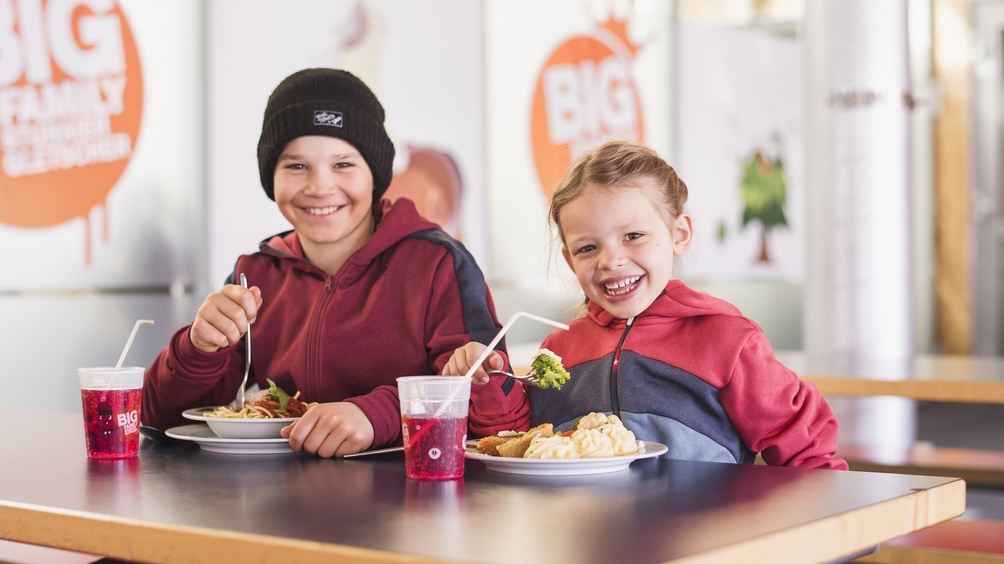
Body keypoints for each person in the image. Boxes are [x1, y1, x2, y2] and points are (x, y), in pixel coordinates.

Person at [143, 68, 529, 457]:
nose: (320, 187)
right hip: (279, 493)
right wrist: (197, 349)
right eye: (296, 166)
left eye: (343, 164)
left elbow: (500, 425)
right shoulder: (254, 275)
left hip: (414, 488)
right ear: (270, 176)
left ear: (376, 175)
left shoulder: (437, 263)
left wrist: (378, 416)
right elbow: (161, 422)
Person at [445, 140, 846, 470]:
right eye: (587, 248)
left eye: (633, 236)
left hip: (706, 531)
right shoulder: (559, 350)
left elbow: (806, 448)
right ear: (570, 260)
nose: (610, 260)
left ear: (679, 234)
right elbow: (519, 441)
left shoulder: (727, 340)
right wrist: (489, 381)